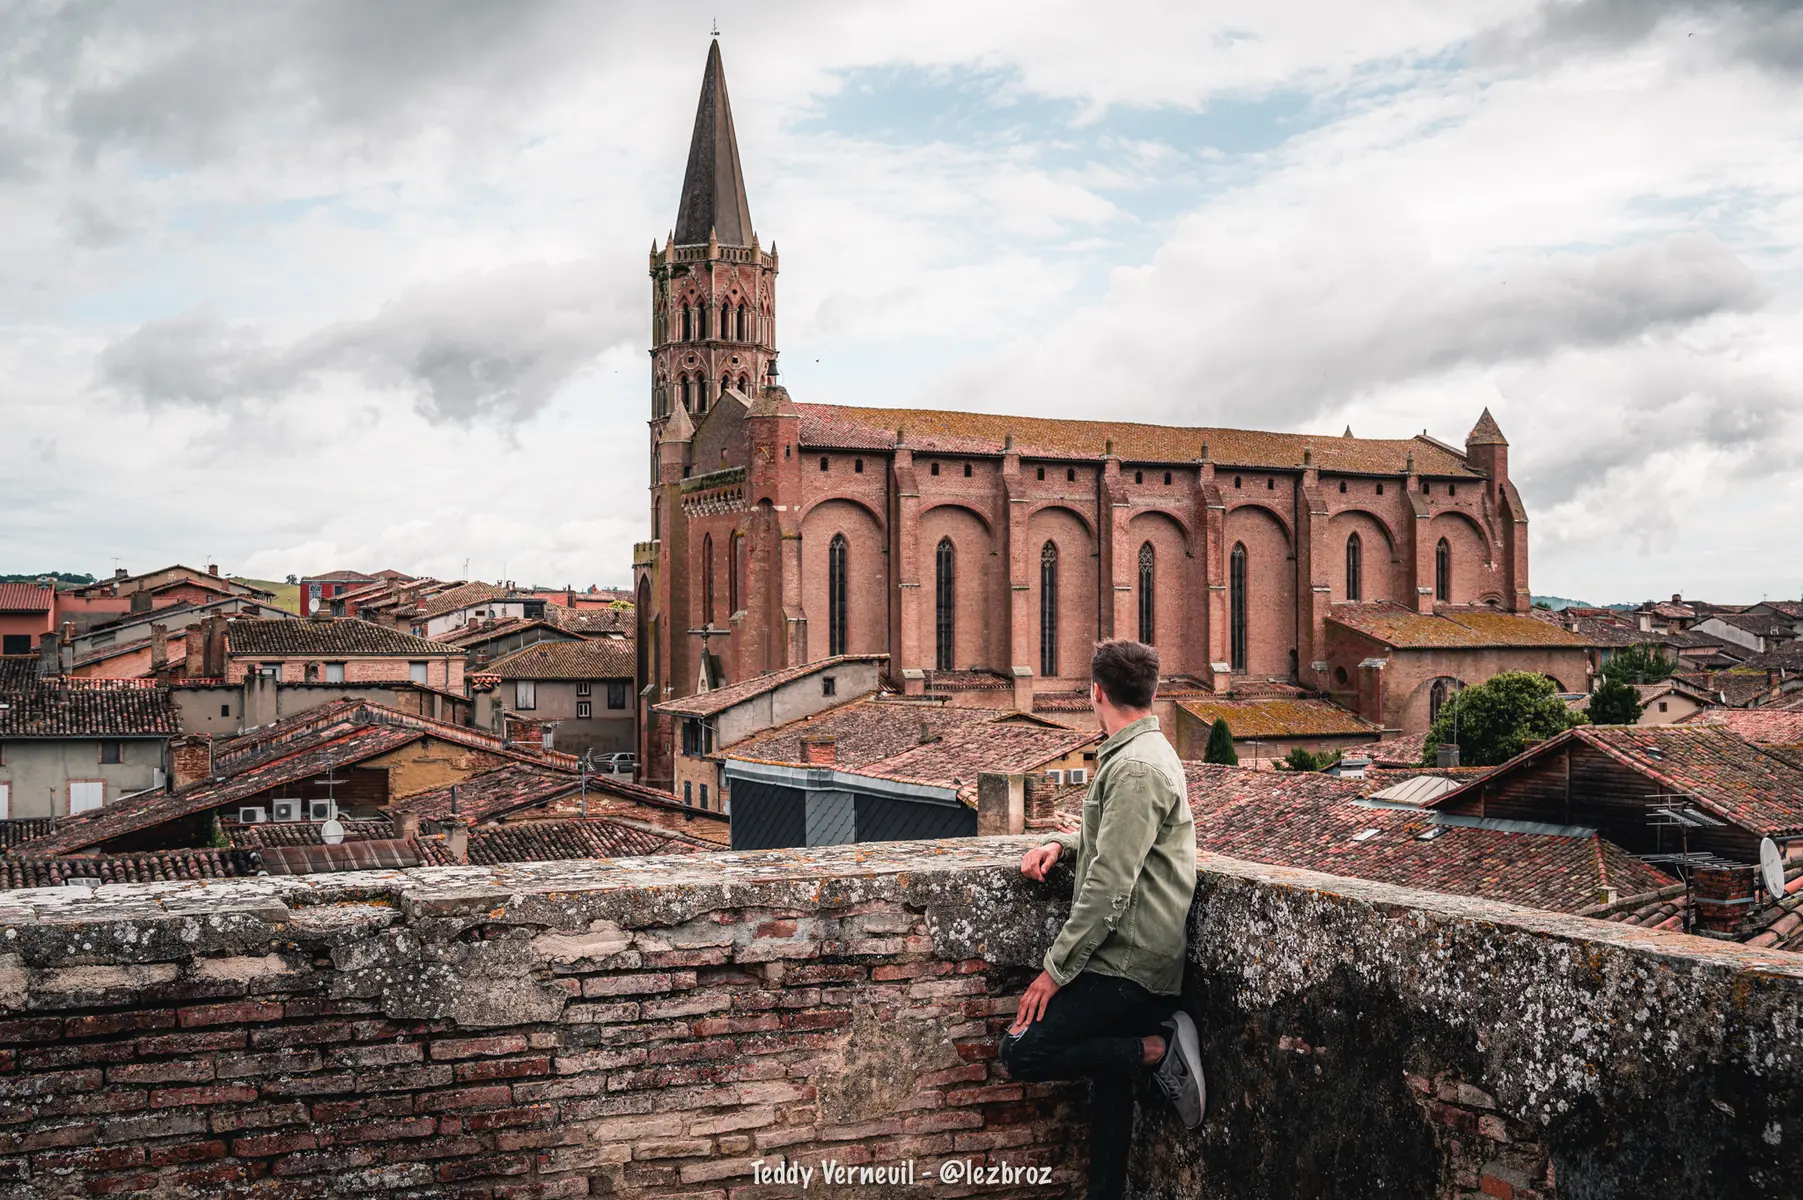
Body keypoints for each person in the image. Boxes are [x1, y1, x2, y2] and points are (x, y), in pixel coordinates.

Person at [998, 638, 1203, 1200]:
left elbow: (1111, 887)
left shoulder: (1136, 769)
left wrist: (1055, 971)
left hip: (1130, 965)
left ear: (1095, 693)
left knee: (1021, 1052)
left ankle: (1158, 1047)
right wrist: (1062, 844)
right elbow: (1118, 845)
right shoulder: (1136, 755)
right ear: (1152, 692)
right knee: (1109, 1091)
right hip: (1128, 955)